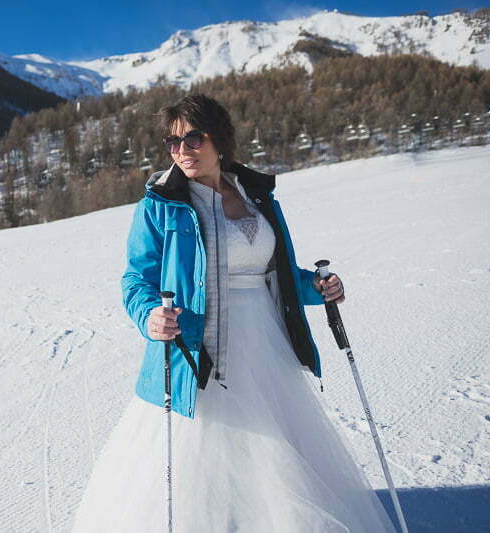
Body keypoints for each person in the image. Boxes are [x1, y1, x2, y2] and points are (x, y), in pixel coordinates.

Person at [71, 94, 396, 532]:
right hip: (197, 346)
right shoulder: (160, 203)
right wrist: (150, 316)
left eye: (193, 138)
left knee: (274, 450)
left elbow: (274, 270)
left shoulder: (256, 194)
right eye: (173, 142)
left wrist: (316, 288)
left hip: (265, 342)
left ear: (219, 140)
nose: (182, 150)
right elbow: (135, 279)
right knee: (204, 446)